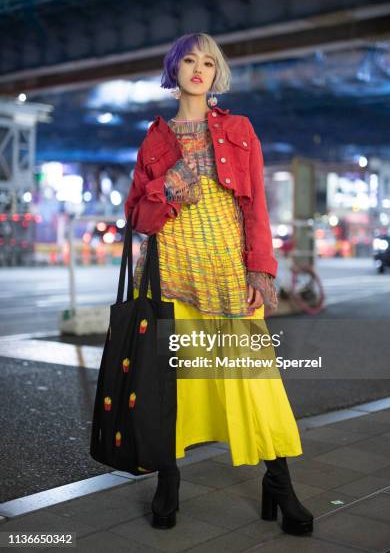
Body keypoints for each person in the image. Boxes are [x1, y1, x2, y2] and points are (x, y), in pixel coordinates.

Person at [124, 32, 313, 535]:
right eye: (189, 59)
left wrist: (261, 270)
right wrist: (167, 187)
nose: (199, 68)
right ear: (175, 69)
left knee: (256, 382)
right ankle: (169, 479)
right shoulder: (154, 140)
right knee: (172, 383)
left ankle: (279, 482)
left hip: (228, 271)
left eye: (208, 61)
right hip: (169, 274)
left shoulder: (240, 129)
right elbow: (138, 218)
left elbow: (256, 207)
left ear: (216, 72)